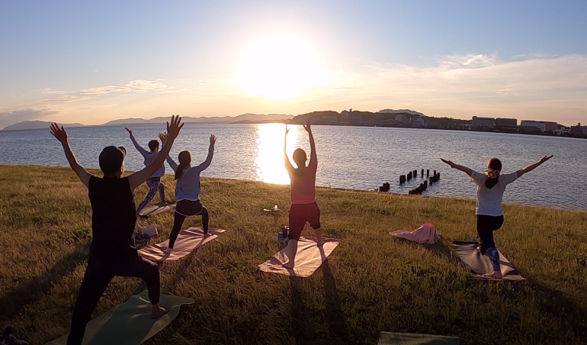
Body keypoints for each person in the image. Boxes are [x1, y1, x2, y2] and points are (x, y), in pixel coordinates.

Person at [50, 115, 184, 345]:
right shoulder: (127, 184)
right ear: (122, 167)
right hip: (124, 258)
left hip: (99, 260)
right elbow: (154, 165)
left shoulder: (93, 183)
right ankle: (155, 309)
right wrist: (170, 139)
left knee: (82, 309)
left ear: (102, 167)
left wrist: (64, 141)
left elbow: (76, 166)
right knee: (151, 272)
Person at [440, 155, 553, 279]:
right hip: (498, 219)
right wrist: (540, 162)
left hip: (484, 218)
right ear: (500, 169)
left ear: (488, 168)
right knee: (485, 237)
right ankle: (482, 247)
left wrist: (452, 164)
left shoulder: (481, 178)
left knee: (490, 244)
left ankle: (497, 272)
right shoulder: (504, 179)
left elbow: (465, 169)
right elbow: (524, 170)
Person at [161, 132, 216, 254]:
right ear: (190, 160)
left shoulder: (177, 169)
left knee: (176, 227)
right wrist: (211, 145)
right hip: (195, 206)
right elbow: (208, 161)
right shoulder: (195, 171)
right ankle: (205, 233)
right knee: (205, 212)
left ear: (180, 161)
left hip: (182, 207)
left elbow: (167, 157)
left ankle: (170, 248)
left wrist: (164, 143)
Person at [282, 118, 323, 269]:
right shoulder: (311, 167)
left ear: (294, 159)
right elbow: (314, 150)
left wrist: (285, 137)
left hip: (297, 209)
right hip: (311, 206)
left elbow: (283, 154)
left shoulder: (292, 171)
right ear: (305, 158)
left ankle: (291, 262)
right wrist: (309, 132)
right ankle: (319, 242)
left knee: (294, 235)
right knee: (316, 225)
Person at [125, 127, 168, 215]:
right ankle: (137, 212)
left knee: (162, 186)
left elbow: (137, 147)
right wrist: (165, 141)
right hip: (155, 181)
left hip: (149, 180)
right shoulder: (160, 155)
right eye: (158, 147)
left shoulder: (146, 154)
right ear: (156, 147)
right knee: (149, 198)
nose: (159, 148)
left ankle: (163, 202)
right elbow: (166, 148)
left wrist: (131, 135)